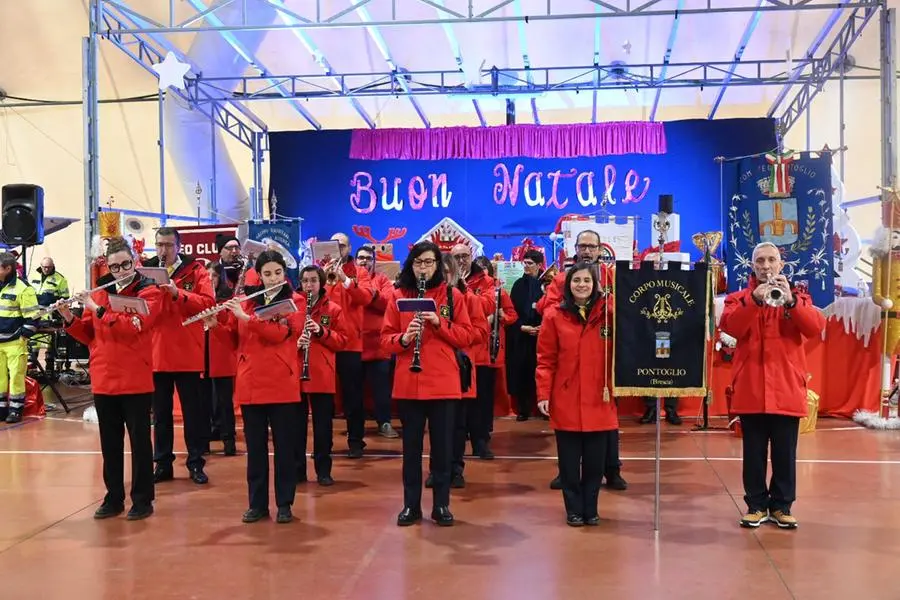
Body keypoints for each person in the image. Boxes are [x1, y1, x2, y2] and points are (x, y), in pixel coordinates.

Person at [719, 242, 825, 529]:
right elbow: (731, 327)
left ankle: (781, 506)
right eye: (760, 261)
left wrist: (791, 301)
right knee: (752, 453)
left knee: (784, 453)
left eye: (771, 260)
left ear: (781, 265)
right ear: (752, 266)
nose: (766, 266)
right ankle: (755, 505)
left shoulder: (798, 297)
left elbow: (814, 328)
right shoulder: (738, 298)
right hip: (752, 387)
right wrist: (754, 299)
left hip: (787, 387)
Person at [59, 237, 164, 520]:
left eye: (125, 264)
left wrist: (97, 309)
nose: (120, 271)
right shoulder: (102, 292)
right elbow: (90, 335)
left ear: (135, 261)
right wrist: (69, 317)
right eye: (115, 266)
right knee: (110, 443)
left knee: (140, 443)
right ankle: (114, 497)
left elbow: (135, 327)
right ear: (108, 265)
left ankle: (143, 499)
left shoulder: (148, 291)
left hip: (135, 379)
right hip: (104, 378)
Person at [381, 241, 473, 527]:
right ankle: (411, 506)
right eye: (419, 262)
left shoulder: (452, 296)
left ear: (438, 265)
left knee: (442, 449)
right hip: (409, 382)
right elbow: (385, 340)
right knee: (410, 450)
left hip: (443, 383)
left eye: (429, 262)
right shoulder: (398, 295)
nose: (424, 268)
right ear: (411, 264)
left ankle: (441, 505)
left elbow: (469, 336)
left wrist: (438, 324)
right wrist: (405, 338)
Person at [538, 230, 626, 491]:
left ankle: (613, 470)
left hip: (602, 362)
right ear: (574, 248)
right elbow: (548, 308)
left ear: (601, 249)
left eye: (592, 246)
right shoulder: (562, 279)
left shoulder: (612, 276)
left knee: (607, 425)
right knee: (568, 426)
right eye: (583, 245)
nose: (587, 250)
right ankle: (566, 472)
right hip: (569, 353)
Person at [226, 250, 306, 524]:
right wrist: (216, 324)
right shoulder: (247, 302)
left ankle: (285, 503)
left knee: (284, 448)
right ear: (258, 276)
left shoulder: (295, 302)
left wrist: (248, 319)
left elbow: (279, 334)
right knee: (255, 450)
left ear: (285, 273)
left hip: (282, 384)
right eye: (267, 274)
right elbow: (234, 338)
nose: (273, 279)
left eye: (278, 273)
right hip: (251, 383)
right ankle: (257, 504)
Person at [536, 262, 617, 527]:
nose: (582, 285)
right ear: (567, 285)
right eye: (576, 280)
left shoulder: (609, 313)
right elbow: (545, 360)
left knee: (595, 464)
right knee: (569, 465)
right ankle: (573, 509)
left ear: (596, 285)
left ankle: (591, 508)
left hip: (599, 398)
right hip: (566, 398)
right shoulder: (553, 316)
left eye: (587, 280)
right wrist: (543, 394)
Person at [145, 227, 216, 485]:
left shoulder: (195, 270)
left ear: (179, 246)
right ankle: (162, 463)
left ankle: (196, 462)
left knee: (193, 413)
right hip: (156, 351)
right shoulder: (146, 270)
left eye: (167, 245)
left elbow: (209, 303)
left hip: (187, 351)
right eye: (159, 245)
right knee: (160, 414)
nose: (162, 250)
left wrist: (178, 293)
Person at [426, 254, 486, 490]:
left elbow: (479, 333)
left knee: (458, 425)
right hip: (435, 371)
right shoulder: (427, 298)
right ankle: (436, 469)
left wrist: (449, 331)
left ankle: (456, 468)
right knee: (436, 424)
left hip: (460, 369)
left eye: (446, 272)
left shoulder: (469, 299)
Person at [295, 265, 348, 486]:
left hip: (322, 375)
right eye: (305, 281)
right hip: (297, 374)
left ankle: (323, 470)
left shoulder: (333, 309)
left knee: (323, 428)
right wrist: (297, 343)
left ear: (321, 282)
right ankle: (297, 470)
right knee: (295, 427)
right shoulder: (294, 307)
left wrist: (321, 331)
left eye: (313, 280)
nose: (309, 285)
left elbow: (343, 340)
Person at [325, 232, 374, 458]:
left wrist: (345, 279)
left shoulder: (360, 272)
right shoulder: (321, 271)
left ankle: (356, 440)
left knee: (353, 395)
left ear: (349, 248)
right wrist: (324, 280)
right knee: (324, 396)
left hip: (351, 342)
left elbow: (365, 298)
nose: (338, 249)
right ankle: (323, 443)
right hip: (325, 340)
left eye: (342, 245)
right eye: (334, 245)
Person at [355, 245, 399, 438]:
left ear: (374, 262)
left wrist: (370, 293)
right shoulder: (348, 281)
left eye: (368, 258)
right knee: (354, 391)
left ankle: (385, 423)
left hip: (378, 346)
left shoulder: (381, 280)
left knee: (382, 389)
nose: (364, 261)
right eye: (360, 258)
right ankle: (355, 428)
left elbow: (389, 303)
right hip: (354, 344)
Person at [201, 262, 239, 456]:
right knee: (203, 401)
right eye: (206, 277)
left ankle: (228, 440)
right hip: (201, 355)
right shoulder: (200, 299)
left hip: (221, 355)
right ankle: (204, 440)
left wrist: (215, 323)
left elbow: (232, 330)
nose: (209, 280)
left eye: (213, 276)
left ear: (220, 278)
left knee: (224, 402)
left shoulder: (228, 300)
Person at [0, 252, 38, 423]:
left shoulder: (24, 288)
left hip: (15, 341)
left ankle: (16, 409)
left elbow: (33, 318)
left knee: (16, 375)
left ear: (7, 268)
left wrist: (23, 336)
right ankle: (1, 409)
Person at [508, 250, 545, 420]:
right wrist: (521, 327)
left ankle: (545, 408)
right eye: (525, 263)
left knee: (541, 371)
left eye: (530, 263)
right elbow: (512, 310)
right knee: (522, 371)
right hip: (522, 335)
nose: (527, 266)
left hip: (542, 336)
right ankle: (523, 409)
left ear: (539, 265)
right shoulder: (517, 285)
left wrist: (542, 327)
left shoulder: (547, 285)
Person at [29, 257, 69, 376]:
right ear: (40, 266)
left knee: (50, 343)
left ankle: (50, 368)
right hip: (34, 313)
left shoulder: (60, 279)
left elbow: (66, 298)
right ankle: (32, 368)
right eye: (44, 267)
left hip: (50, 314)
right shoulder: (33, 276)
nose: (46, 269)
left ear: (53, 266)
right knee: (33, 341)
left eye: (49, 267)